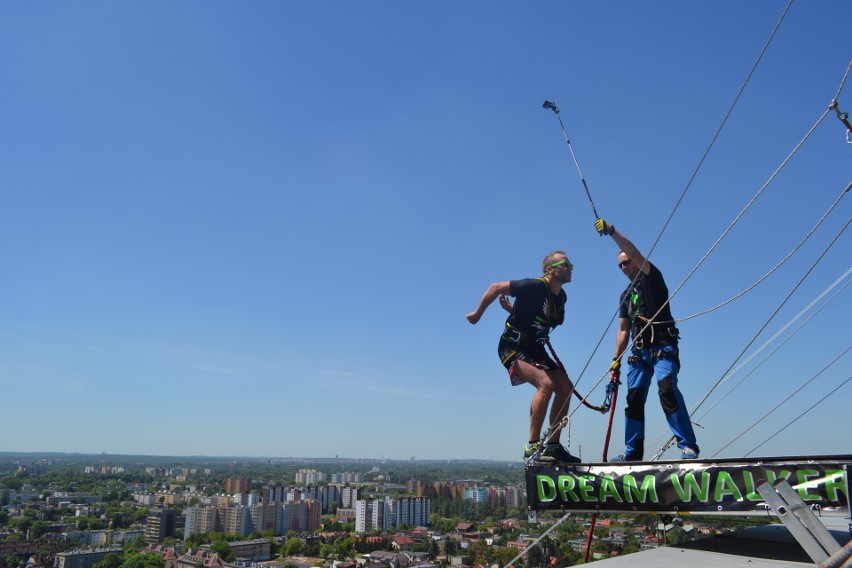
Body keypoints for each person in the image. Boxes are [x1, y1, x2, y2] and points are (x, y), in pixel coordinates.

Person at [595, 218, 700, 461]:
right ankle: (632, 453)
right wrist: (615, 361)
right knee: (633, 400)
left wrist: (611, 231)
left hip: (662, 344)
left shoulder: (652, 278)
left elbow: (634, 251)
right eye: (620, 265)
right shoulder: (625, 296)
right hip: (639, 352)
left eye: (627, 262)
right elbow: (623, 330)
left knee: (667, 391)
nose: (624, 267)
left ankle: (688, 446)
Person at [466, 251, 581, 464]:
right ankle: (533, 446)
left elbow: (535, 316)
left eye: (570, 264)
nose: (570, 267)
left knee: (565, 387)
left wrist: (512, 309)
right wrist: (476, 314)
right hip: (513, 345)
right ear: (550, 270)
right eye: (565, 264)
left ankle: (553, 446)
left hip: (535, 348)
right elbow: (495, 287)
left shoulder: (561, 298)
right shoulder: (535, 286)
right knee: (545, 384)